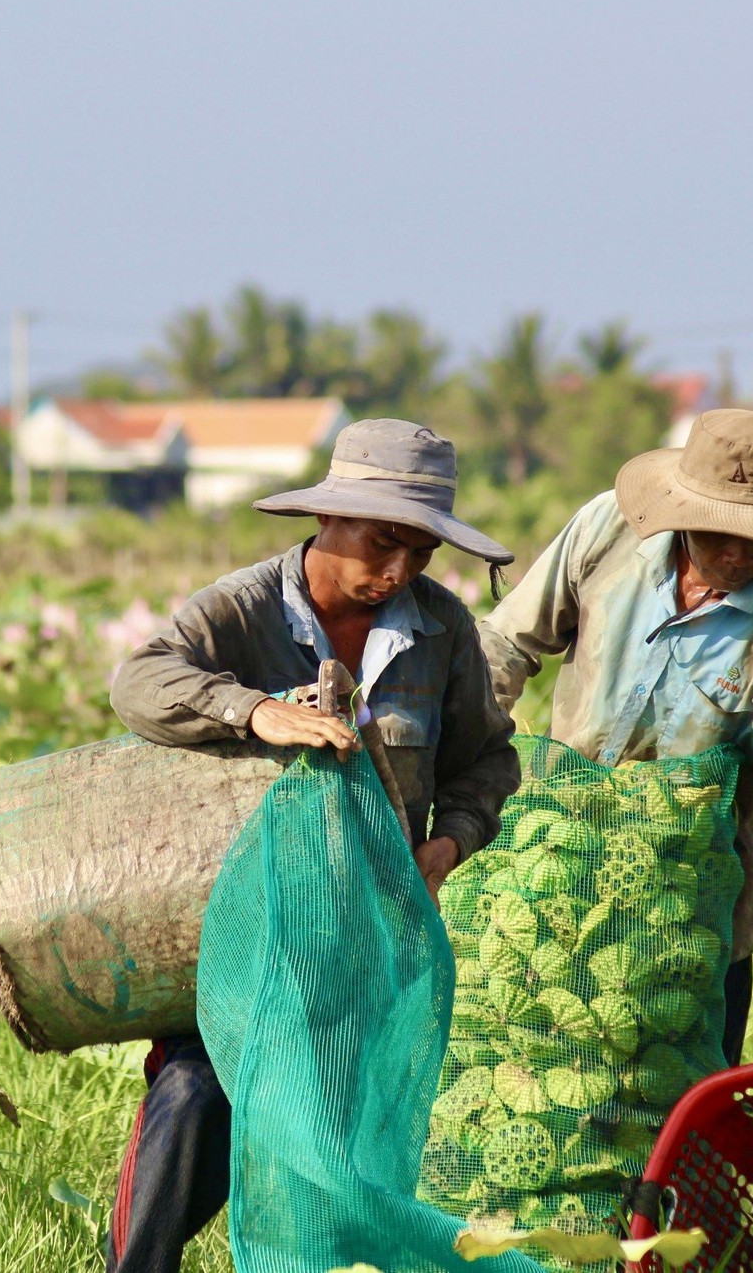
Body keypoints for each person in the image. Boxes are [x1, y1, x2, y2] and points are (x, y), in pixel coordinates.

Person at [104, 418, 521, 1273]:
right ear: (328, 518)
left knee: (338, 1156)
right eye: (382, 541)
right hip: (242, 939)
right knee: (194, 1100)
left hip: (367, 943)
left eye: (420, 550)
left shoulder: (442, 631)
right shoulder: (245, 606)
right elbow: (140, 681)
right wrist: (252, 709)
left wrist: (450, 843)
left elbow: (487, 759)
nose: (397, 568)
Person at [479, 408, 753, 1066]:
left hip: (694, 913)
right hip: (560, 868)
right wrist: (454, 790)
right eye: (721, 531)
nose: (738, 553)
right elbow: (504, 646)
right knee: (544, 1086)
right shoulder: (606, 531)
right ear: (680, 507)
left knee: (676, 1112)